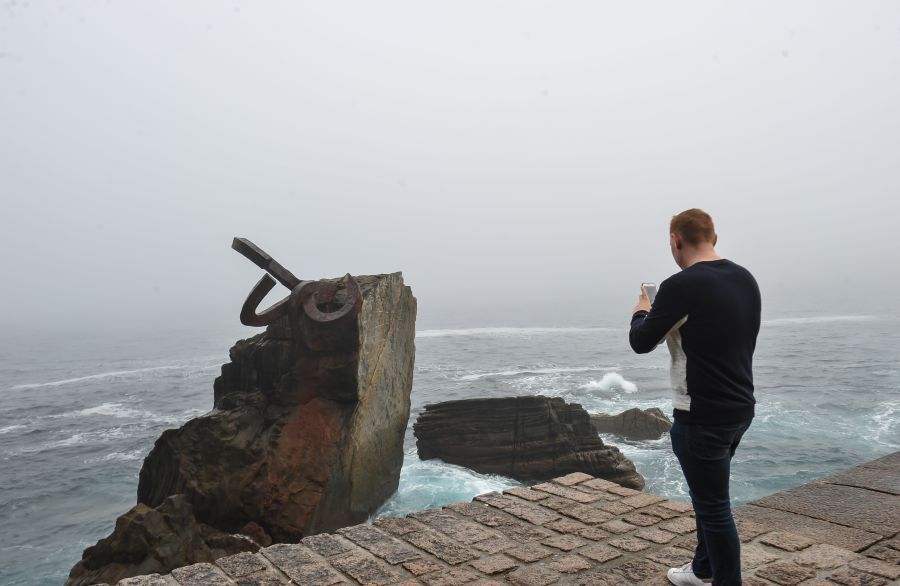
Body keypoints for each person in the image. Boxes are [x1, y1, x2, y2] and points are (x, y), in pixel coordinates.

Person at [629, 208, 761, 586]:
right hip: (739, 408)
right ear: (714, 238)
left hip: (700, 414)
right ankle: (701, 569)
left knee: (714, 507)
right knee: (709, 495)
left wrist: (641, 311)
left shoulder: (682, 285)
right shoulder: (744, 278)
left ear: (676, 241)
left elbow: (641, 342)